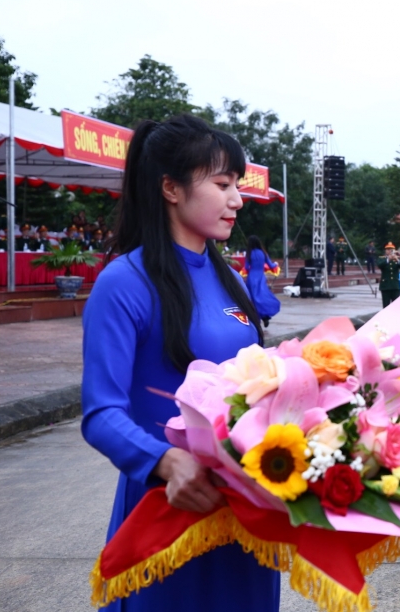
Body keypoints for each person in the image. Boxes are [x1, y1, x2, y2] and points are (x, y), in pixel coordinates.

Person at [80, 114, 279, 611]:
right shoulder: (124, 282)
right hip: (169, 505)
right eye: (222, 184)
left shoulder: (226, 276)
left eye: (238, 185)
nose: (237, 199)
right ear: (170, 188)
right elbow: (100, 413)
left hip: (241, 509)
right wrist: (164, 462)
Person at [244, 235, 281, 329]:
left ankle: (256, 319)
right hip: (261, 277)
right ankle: (265, 316)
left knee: (252, 299)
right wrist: (276, 264)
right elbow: (271, 265)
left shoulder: (249, 254)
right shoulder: (263, 253)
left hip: (251, 278)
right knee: (262, 296)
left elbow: (247, 267)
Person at [378, 242, 400, 307]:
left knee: (396, 306)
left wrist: (397, 260)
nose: (390, 251)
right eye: (388, 249)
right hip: (386, 286)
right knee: (386, 306)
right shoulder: (382, 258)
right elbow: (380, 265)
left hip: (395, 286)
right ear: (385, 250)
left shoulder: (397, 259)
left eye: (391, 249)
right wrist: (388, 259)